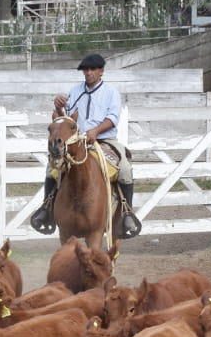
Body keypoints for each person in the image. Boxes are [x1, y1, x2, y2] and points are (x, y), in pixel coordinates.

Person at [30, 53, 140, 238]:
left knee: (125, 168)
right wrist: (58, 108)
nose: (88, 73)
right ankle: (47, 208)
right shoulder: (75, 91)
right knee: (53, 168)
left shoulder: (111, 92)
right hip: (77, 141)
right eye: (85, 70)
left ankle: (126, 212)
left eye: (93, 69)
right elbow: (67, 119)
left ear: (101, 71)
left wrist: (95, 131)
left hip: (105, 140)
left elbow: (113, 118)